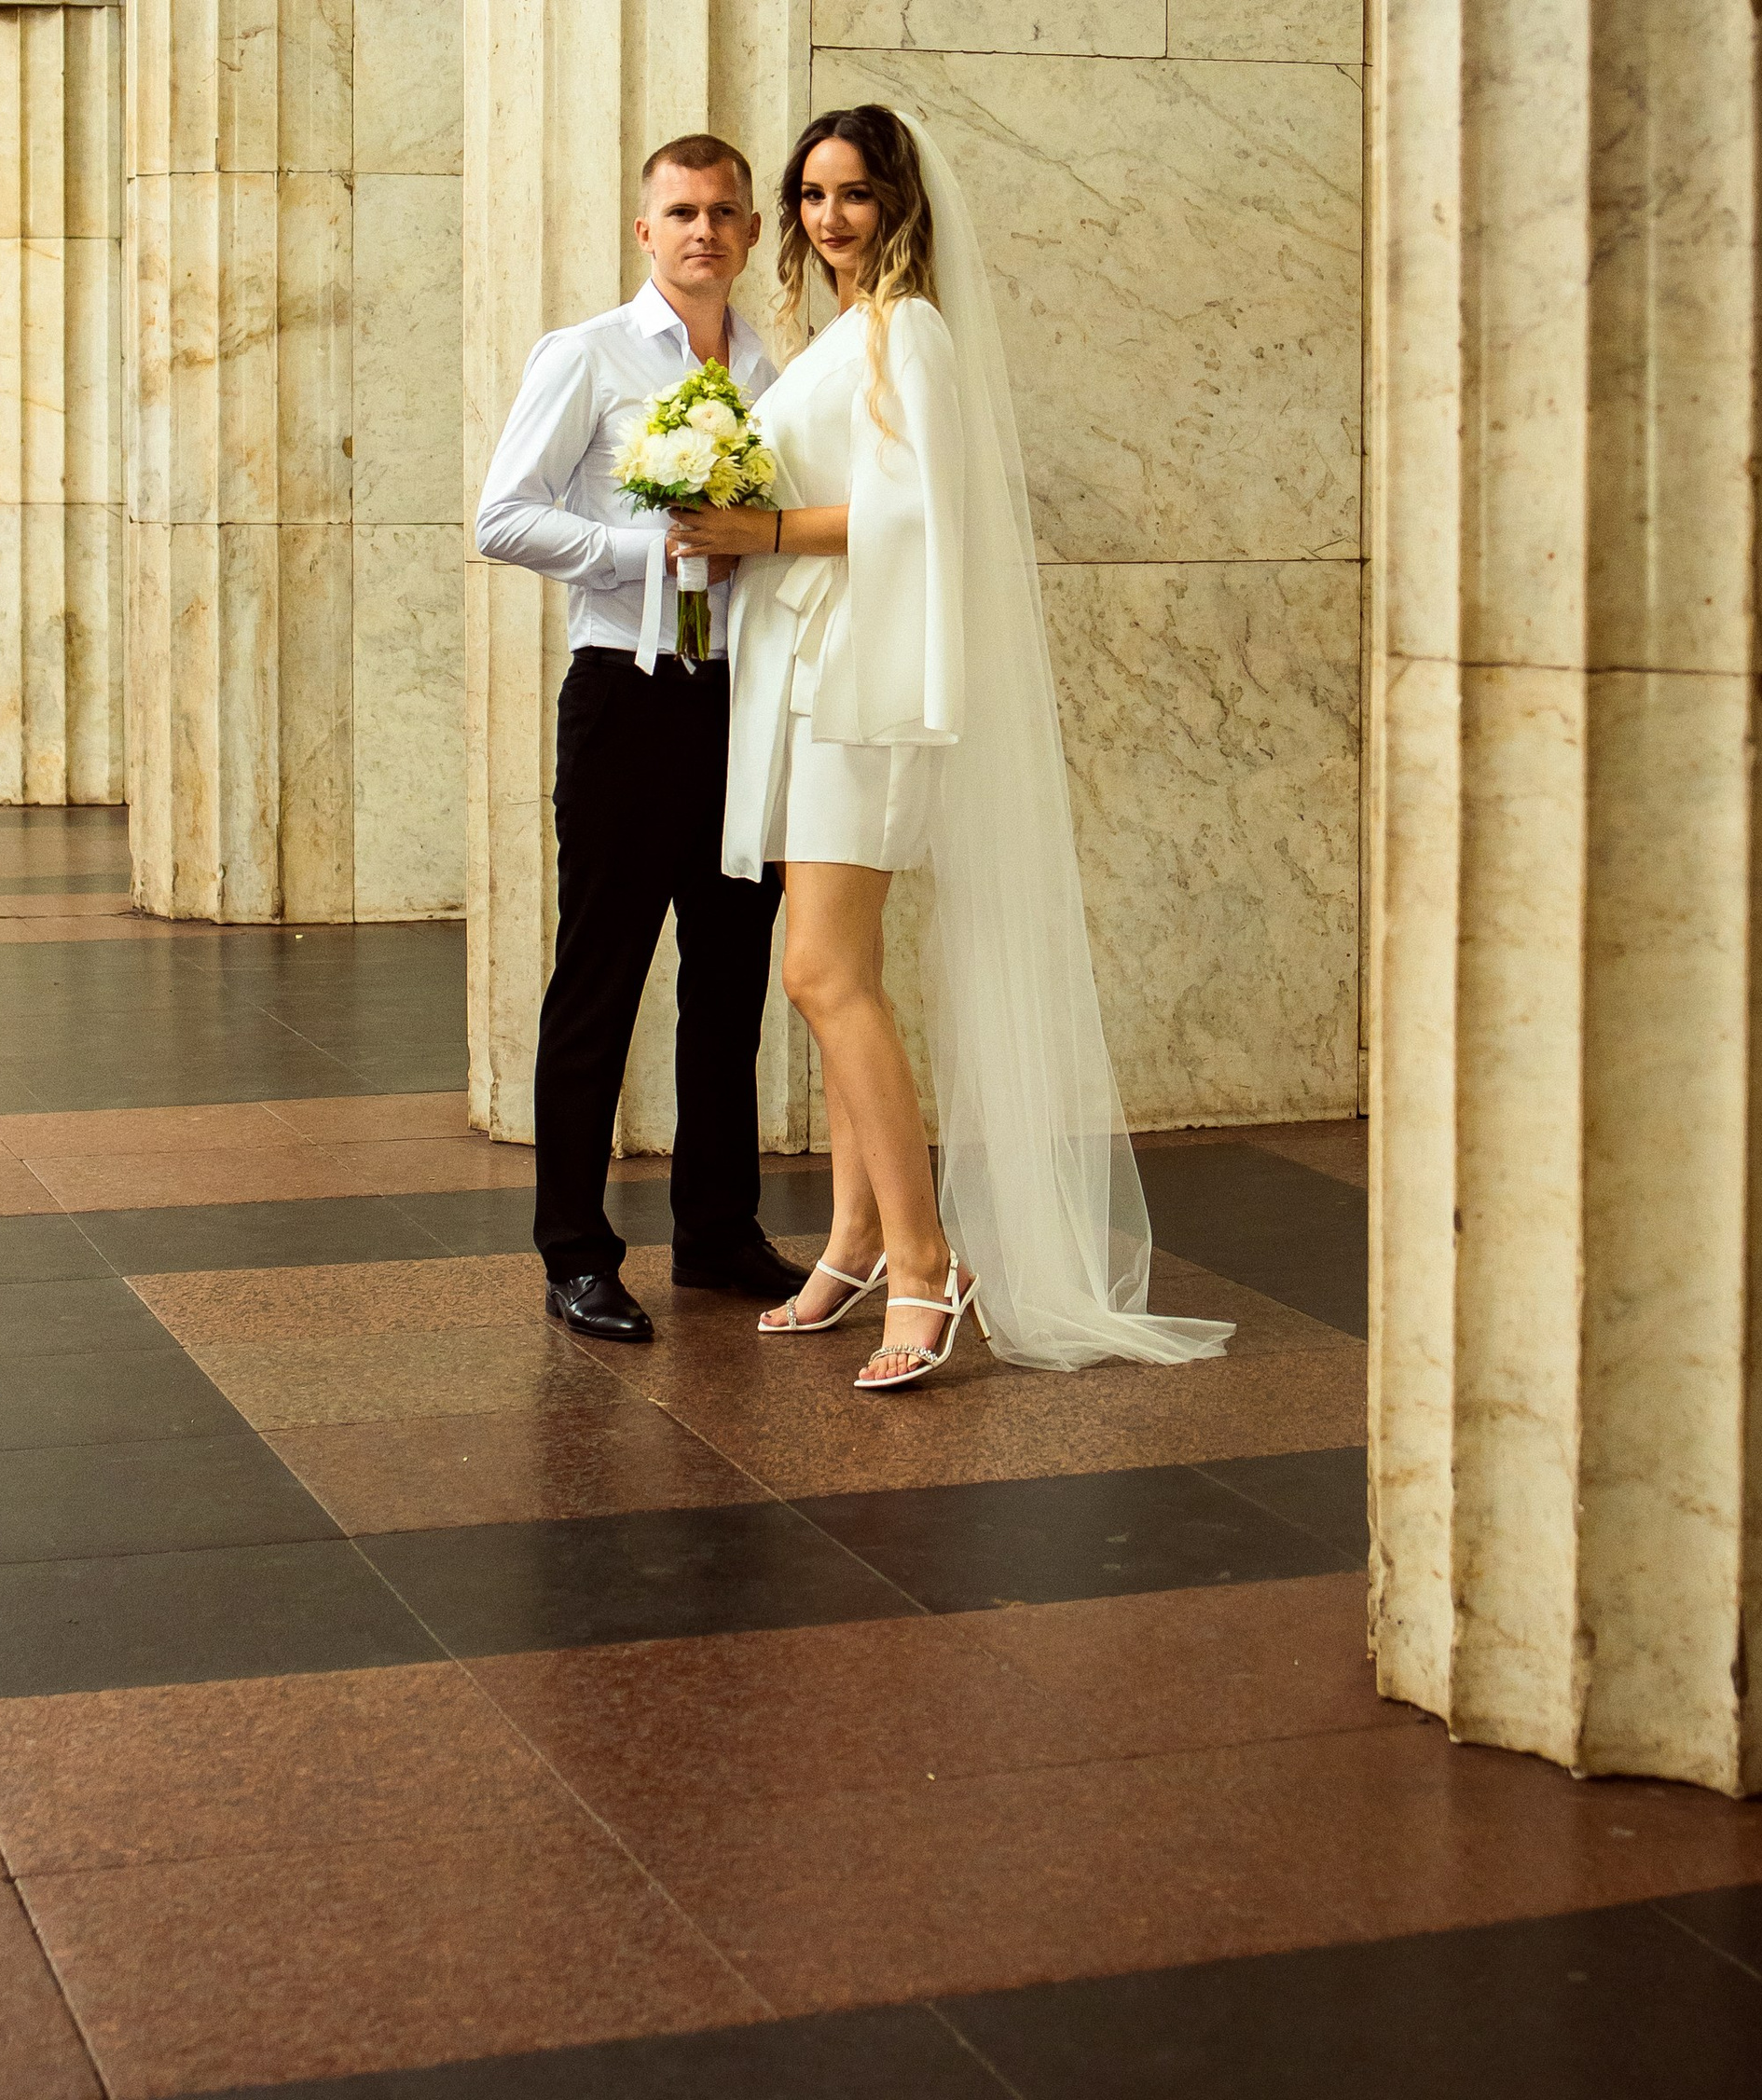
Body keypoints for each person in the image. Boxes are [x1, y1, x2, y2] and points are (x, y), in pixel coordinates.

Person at [668, 104, 1234, 1390]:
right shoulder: (835, 334)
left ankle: (926, 1262)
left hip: (862, 685)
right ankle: (856, 1237)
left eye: (854, 193)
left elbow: (920, 512)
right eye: (812, 194)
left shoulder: (909, 329)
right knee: (842, 969)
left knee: (820, 973)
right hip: (805, 679)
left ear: (898, 204)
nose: (829, 217)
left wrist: (760, 534)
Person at [475, 133, 807, 1343]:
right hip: (626, 692)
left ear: (751, 232)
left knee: (731, 973)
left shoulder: (773, 370)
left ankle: (717, 1230)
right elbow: (501, 516)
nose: (702, 231)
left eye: (723, 212)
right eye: (681, 212)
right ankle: (574, 1251)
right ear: (645, 230)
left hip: (741, 698)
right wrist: (648, 548)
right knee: (600, 973)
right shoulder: (588, 355)